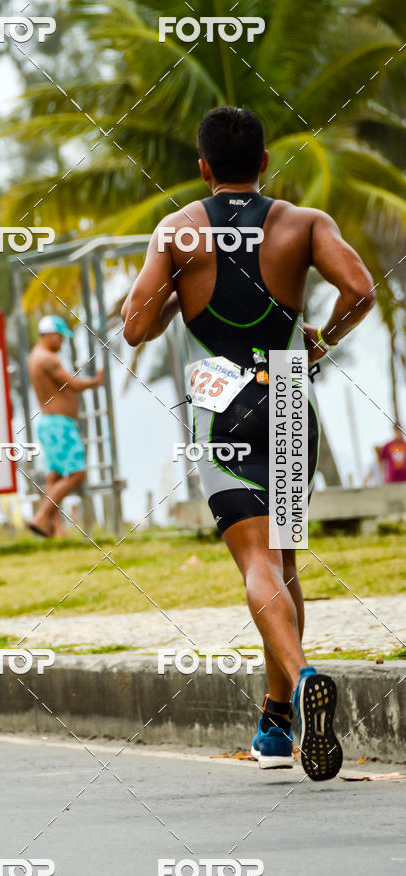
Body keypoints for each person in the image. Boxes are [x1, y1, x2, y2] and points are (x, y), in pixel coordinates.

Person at [121, 106, 376, 780]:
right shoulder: (304, 223)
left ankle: (298, 682)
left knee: (258, 565)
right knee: (286, 564)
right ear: (264, 162)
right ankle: (275, 722)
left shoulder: (177, 232)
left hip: (220, 399)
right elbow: (359, 290)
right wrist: (324, 337)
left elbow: (134, 328)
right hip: (289, 393)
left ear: (203, 168)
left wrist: (178, 290)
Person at [27, 315, 104, 537]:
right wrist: (96, 381)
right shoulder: (47, 359)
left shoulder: (35, 357)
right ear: (51, 335)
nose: (62, 342)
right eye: (60, 337)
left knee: (56, 475)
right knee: (77, 474)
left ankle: (53, 528)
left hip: (51, 424)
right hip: (60, 426)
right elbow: (74, 384)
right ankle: (41, 517)